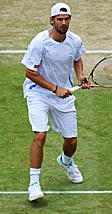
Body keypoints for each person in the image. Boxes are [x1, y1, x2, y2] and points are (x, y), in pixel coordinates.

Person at [21, 3, 91, 202]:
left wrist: (80, 77)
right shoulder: (39, 42)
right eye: (59, 19)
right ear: (51, 21)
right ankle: (34, 183)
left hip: (64, 95)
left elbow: (77, 59)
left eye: (66, 19)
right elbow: (29, 72)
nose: (63, 23)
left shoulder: (74, 40)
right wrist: (54, 89)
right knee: (40, 135)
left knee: (71, 141)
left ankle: (66, 161)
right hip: (38, 93)